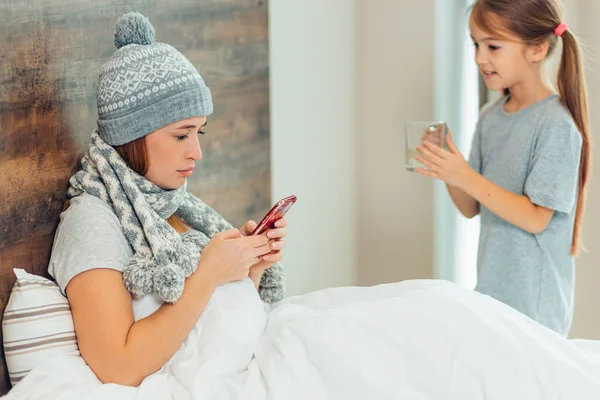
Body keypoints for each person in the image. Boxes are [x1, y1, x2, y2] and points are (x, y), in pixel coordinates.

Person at [48, 11, 286, 386]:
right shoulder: (91, 222)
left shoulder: (163, 207)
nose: (196, 153)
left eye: (199, 134)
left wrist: (246, 271)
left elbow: (205, 332)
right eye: (181, 135)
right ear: (133, 135)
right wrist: (208, 274)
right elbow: (118, 366)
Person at [415, 0, 590, 336]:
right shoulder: (490, 117)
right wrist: (448, 167)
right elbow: (470, 207)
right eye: (476, 44)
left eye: (493, 46)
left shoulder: (556, 124)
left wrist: (464, 174)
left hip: (534, 310)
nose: (481, 57)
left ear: (537, 49)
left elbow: (536, 218)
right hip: (491, 296)